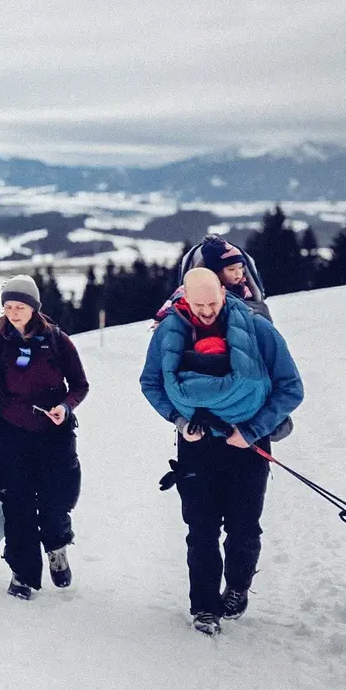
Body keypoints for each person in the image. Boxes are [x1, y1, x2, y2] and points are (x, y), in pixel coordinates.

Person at [139, 267, 304, 635]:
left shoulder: (258, 328)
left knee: (244, 528)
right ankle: (203, 606)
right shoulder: (169, 333)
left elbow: (291, 387)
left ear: (223, 294)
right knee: (201, 529)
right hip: (197, 446)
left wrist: (252, 431)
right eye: (199, 304)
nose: (207, 310)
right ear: (184, 298)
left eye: (213, 302)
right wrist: (179, 422)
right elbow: (151, 383)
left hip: (248, 444)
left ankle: (237, 588)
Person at [0, 275, 88, 600]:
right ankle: (22, 574)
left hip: (55, 436)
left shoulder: (57, 340)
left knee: (55, 505)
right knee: (17, 507)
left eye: (20, 306)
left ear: (34, 307)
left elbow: (80, 385)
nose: (13, 312)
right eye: (8, 306)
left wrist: (65, 408)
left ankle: (56, 548)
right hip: (12, 434)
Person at [165, 237, 271, 320]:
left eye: (240, 268)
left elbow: (254, 305)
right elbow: (176, 298)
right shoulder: (201, 286)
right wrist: (162, 317)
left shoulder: (244, 287)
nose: (238, 274)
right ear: (217, 271)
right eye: (231, 269)